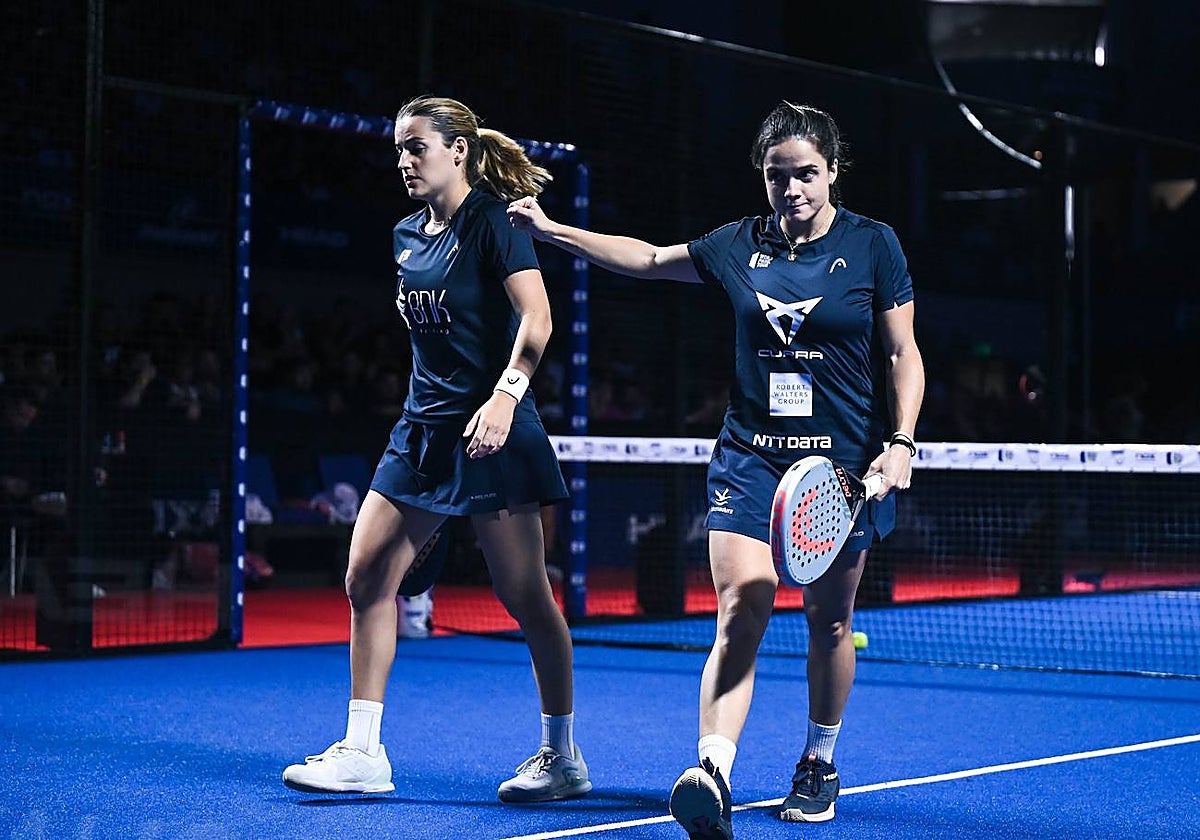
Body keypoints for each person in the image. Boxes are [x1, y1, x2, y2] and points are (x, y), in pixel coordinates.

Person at [509, 101, 924, 834]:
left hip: (844, 471)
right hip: (750, 457)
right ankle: (713, 770)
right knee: (744, 604)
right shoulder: (737, 244)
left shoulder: (874, 245)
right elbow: (646, 258)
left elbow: (902, 352)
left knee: (830, 623)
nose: (792, 189)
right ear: (761, 177)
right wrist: (552, 231)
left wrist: (902, 440)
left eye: (807, 175)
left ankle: (818, 762)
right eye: (777, 176)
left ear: (833, 173)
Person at [283, 95, 590, 803]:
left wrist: (507, 395)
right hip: (421, 430)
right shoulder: (403, 235)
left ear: (458, 151)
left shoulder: (494, 223)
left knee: (526, 595)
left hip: (494, 431)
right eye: (397, 149)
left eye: (415, 147)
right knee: (365, 576)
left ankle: (561, 754)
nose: (403, 160)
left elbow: (537, 318)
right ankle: (363, 751)